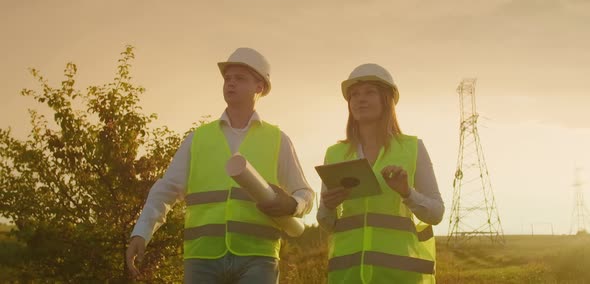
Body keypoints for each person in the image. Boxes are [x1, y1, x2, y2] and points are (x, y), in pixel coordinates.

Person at [126, 47, 314, 283]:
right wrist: (141, 232)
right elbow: (166, 190)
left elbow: (305, 194)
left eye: (240, 78)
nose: (230, 83)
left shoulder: (278, 140)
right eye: (227, 78)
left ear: (260, 87)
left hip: (258, 257)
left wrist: (292, 204)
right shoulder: (198, 138)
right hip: (202, 258)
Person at [317, 63, 445, 283]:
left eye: (369, 92)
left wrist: (407, 193)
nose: (360, 99)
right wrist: (328, 206)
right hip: (348, 274)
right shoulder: (335, 153)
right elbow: (326, 222)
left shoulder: (413, 148)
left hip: (399, 274)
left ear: (387, 100)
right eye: (354, 95)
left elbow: (436, 213)